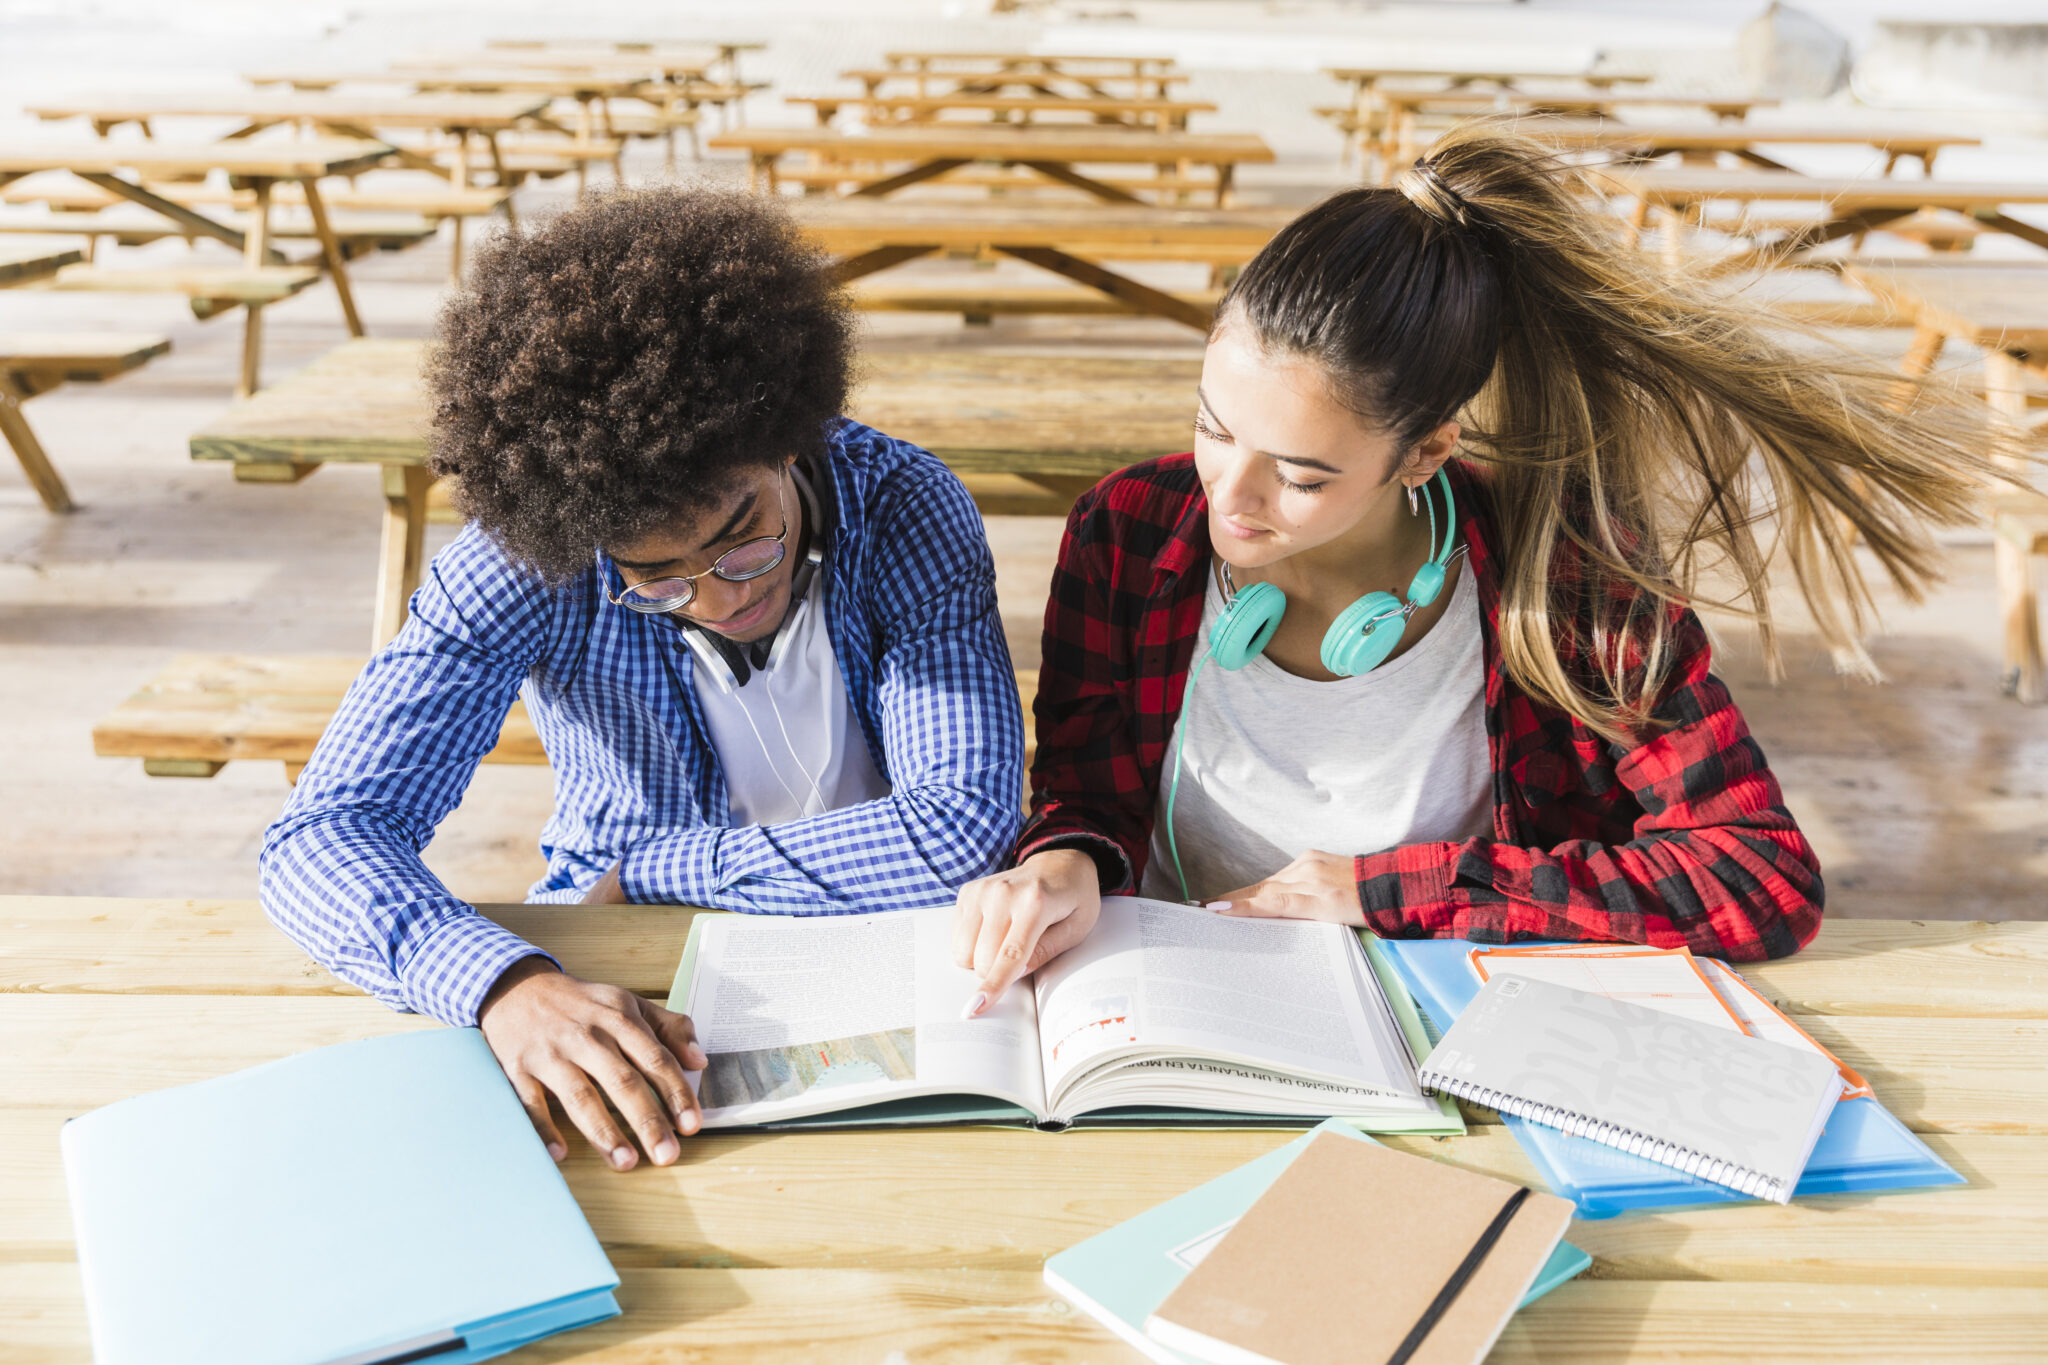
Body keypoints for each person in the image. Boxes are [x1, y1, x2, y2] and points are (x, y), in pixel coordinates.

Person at [951, 124, 2009, 1015]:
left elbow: (1757, 878)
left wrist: (1384, 889)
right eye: (1212, 429)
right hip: (1182, 1012)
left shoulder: (1571, 580)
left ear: (1424, 453)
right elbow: (1085, 789)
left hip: (1457, 1025)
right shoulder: (1132, 530)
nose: (1229, 497)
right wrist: (1064, 865)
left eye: (1302, 477)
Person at [262, 188, 1024, 1168]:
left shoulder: (906, 506)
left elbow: (958, 831)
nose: (717, 597)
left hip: (883, 946)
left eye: (742, 537)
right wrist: (502, 986)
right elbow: (322, 836)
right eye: (656, 577)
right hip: (618, 962)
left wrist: (655, 869)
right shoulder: (529, 558)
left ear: (791, 436)